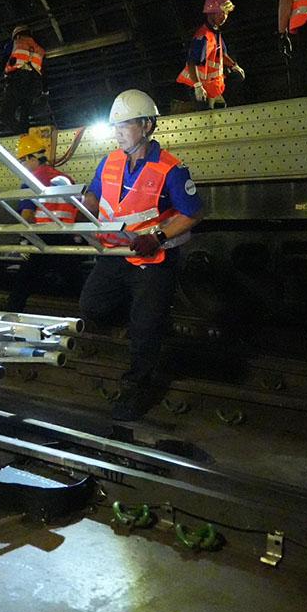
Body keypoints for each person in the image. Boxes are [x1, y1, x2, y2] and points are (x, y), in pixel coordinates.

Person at [77, 90, 204, 421]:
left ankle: (137, 389)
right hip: (114, 254)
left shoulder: (171, 168)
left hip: (153, 261)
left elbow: (192, 213)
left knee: (145, 329)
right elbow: (95, 194)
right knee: (92, 305)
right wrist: (80, 212)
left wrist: (157, 237)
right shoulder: (110, 160)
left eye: (124, 125)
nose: (118, 132)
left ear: (147, 126)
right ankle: (145, 325)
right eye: (114, 126)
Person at [4, 133, 84, 313]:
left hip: (42, 237)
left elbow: (27, 215)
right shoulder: (66, 178)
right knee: (75, 279)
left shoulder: (31, 181)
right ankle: (91, 317)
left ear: (32, 158)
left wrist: (24, 240)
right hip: (67, 236)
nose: (22, 166)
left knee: (24, 280)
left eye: (23, 161)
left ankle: (11, 313)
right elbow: (78, 212)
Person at [177, 0, 245, 109]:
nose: (225, 17)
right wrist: (198, 86)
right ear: (211, 12)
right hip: (198, 86)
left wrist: (234, 66)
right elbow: (191, 63)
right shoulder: (203, 36)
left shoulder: (215, 33)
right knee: (206, 116)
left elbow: (222, 55)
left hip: (210, 87)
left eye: (227, 13)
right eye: (222, 12)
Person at [0, 25, 46, 134]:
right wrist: (45, 91)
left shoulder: (14, 44)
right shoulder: (40, 49)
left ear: (17, 35)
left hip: (17, 80)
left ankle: (24, 135)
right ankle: (29, 139)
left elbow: (3, 63)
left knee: (5, 115)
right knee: (24, 117)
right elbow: (44, 72)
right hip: (34, 85)